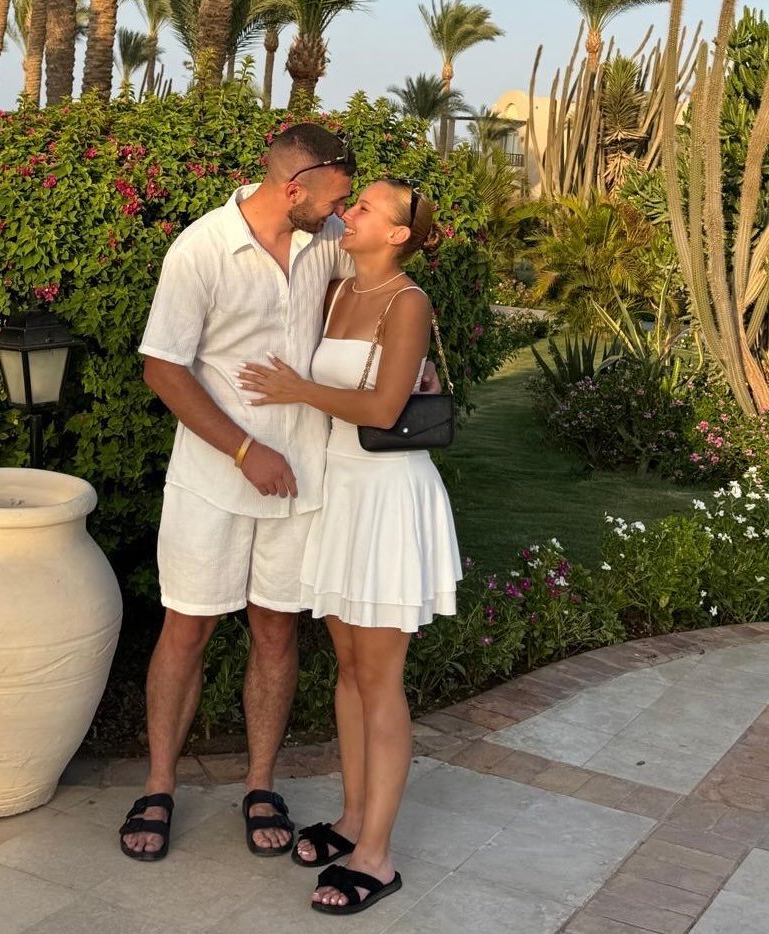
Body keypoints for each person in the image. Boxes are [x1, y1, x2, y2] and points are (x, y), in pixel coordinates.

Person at [119, 125, 359, 862]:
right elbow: (163, 367)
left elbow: (388, 275)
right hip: (213, 482)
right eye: (335, 199)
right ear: (293, 188)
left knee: (276, 632)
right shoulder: (201, 249)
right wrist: (245, 450)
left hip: (303, 479)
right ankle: (159, 786)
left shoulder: (327, 238)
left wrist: (413, 355)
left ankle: (260, 785)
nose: (342, 212)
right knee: (187, 629)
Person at [237, 178, 462, 914]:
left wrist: (297, 389)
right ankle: (352, 819)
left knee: (380, 677)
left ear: (397, 235)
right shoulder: (339, 291)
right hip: (341, 494)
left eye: (365, 208)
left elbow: (385, 407)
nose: (349, 213)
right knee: (348, 671)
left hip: (388, 500)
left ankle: (377, 856)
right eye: (353, 202)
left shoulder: (408, 302)